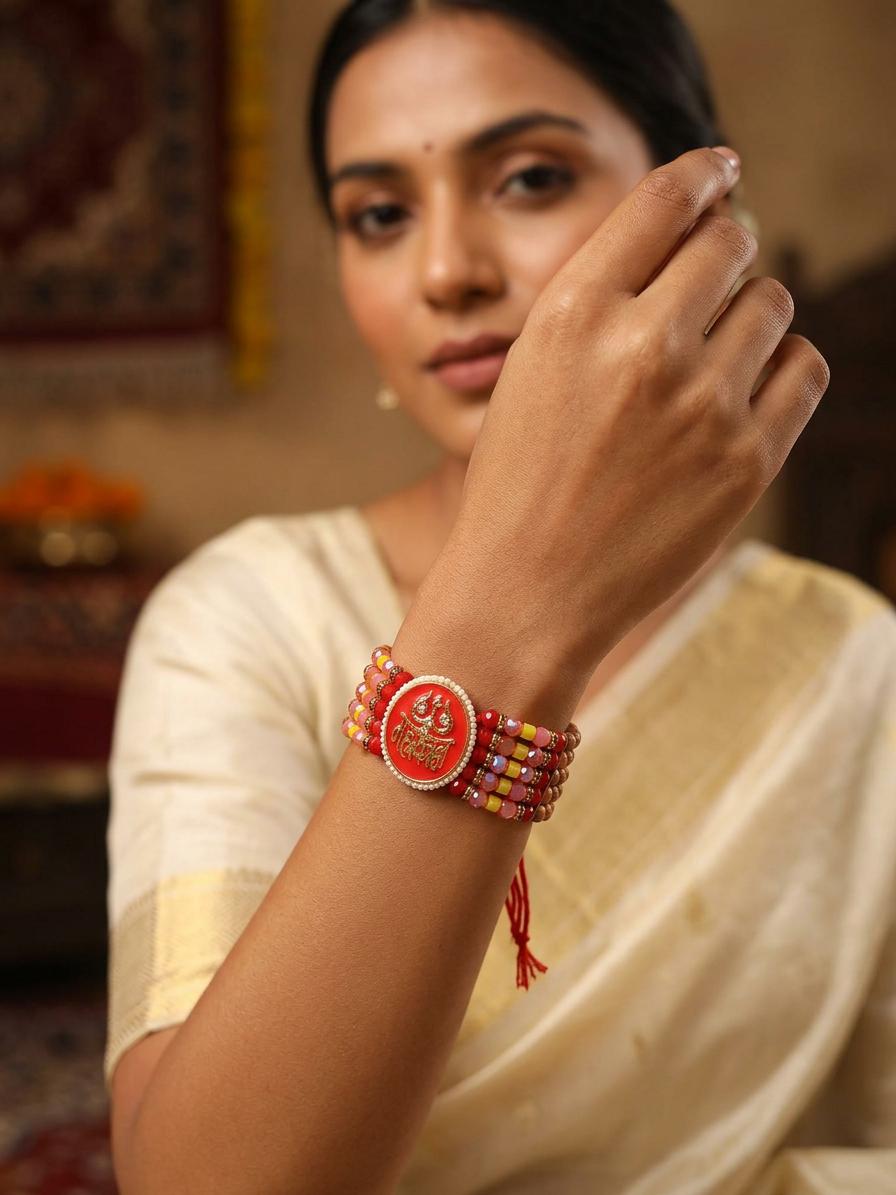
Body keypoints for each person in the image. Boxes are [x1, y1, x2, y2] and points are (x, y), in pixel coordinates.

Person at [104, 2, 896, 1191]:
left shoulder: (848, 659)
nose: (446, 272)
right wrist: (520, 605)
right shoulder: (245, 613)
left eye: (529, 179)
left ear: (701, 223)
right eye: (379, 214)